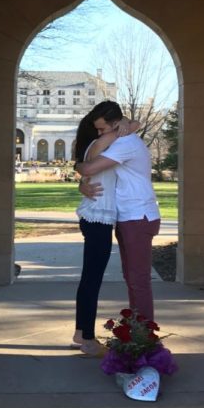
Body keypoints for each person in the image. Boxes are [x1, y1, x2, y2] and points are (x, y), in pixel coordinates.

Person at [75, 101, 161, 323]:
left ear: (115, 125)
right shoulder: (118, 140)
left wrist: (79, 167)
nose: (99, 134)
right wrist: (81, 183)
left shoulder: (126, 143)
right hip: (126, 216)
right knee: (132, 278)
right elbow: (97, 172)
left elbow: (91, 167)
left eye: (103, 129)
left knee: (138, 280)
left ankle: (145, 340)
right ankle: (137, 333)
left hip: (138, 216)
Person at [71, 109, 138, 356]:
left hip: (98, 217)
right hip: (96, 218)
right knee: (92, 280)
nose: (100, 134)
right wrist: (124, 125)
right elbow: (86, 170)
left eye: (103, 128)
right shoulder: (102, 142)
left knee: (90, 278)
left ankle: (81, 332)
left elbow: (135, 125)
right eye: (97, 129)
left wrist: (128, 123)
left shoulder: (109, 141)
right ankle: (87, 338)